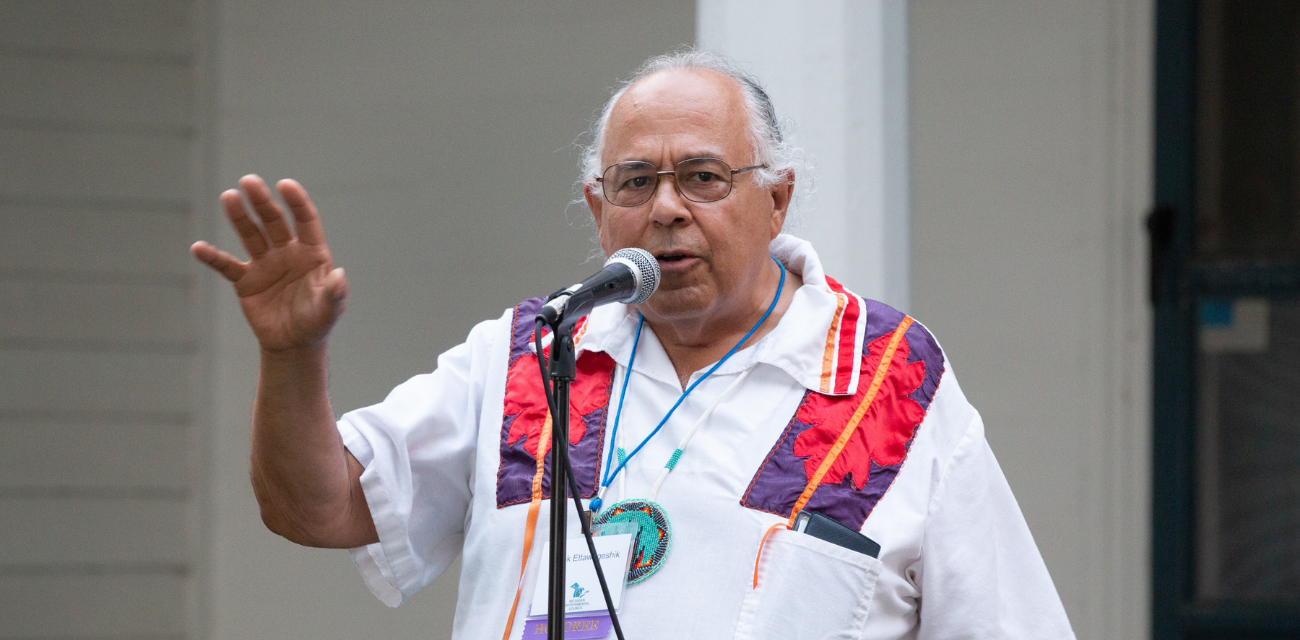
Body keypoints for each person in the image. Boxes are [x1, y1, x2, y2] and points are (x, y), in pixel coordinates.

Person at [191, 51, 1075, 640]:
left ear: (779, 199)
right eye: (636, 182)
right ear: (596, 209)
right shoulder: (533, 354)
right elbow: (314, 509)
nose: (665, 208)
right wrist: (293, 357)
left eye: (703, 177)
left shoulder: (890, 383)